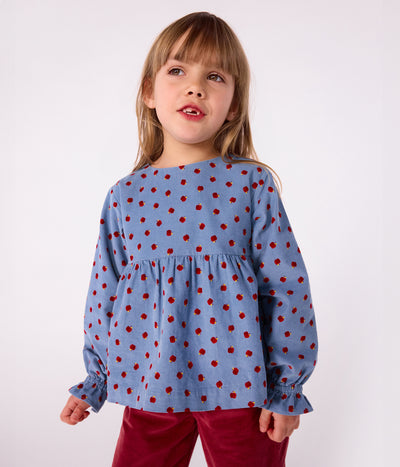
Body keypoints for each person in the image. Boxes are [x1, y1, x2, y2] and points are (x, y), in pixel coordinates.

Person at [60, 11, 318, 467]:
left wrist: (286, 387)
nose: (195, 87)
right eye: (178, 71)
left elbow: (285, 287)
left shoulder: (250, 185)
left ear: (233, 105)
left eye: (214, 77)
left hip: (244, 389)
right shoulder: (125, 195)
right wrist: (95, 379)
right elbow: (105, 291)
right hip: (151, 384)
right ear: (149, 92)